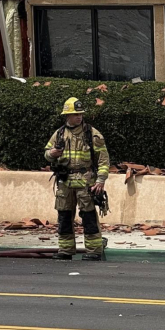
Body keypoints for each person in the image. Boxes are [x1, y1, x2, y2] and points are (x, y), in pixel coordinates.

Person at [44, 97, 110, 261]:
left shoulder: (92, 134)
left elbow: (103, 160)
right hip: (65, 181)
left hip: (85, 181)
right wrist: (52, 154)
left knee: (88, 216)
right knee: (64, 216)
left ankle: (94, 250)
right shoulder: (59, 134)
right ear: (67, 116)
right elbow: (47, 153)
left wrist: (100, 180)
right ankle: (66, 250)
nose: (79, 117)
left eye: (80, 113)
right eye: (75, 114)